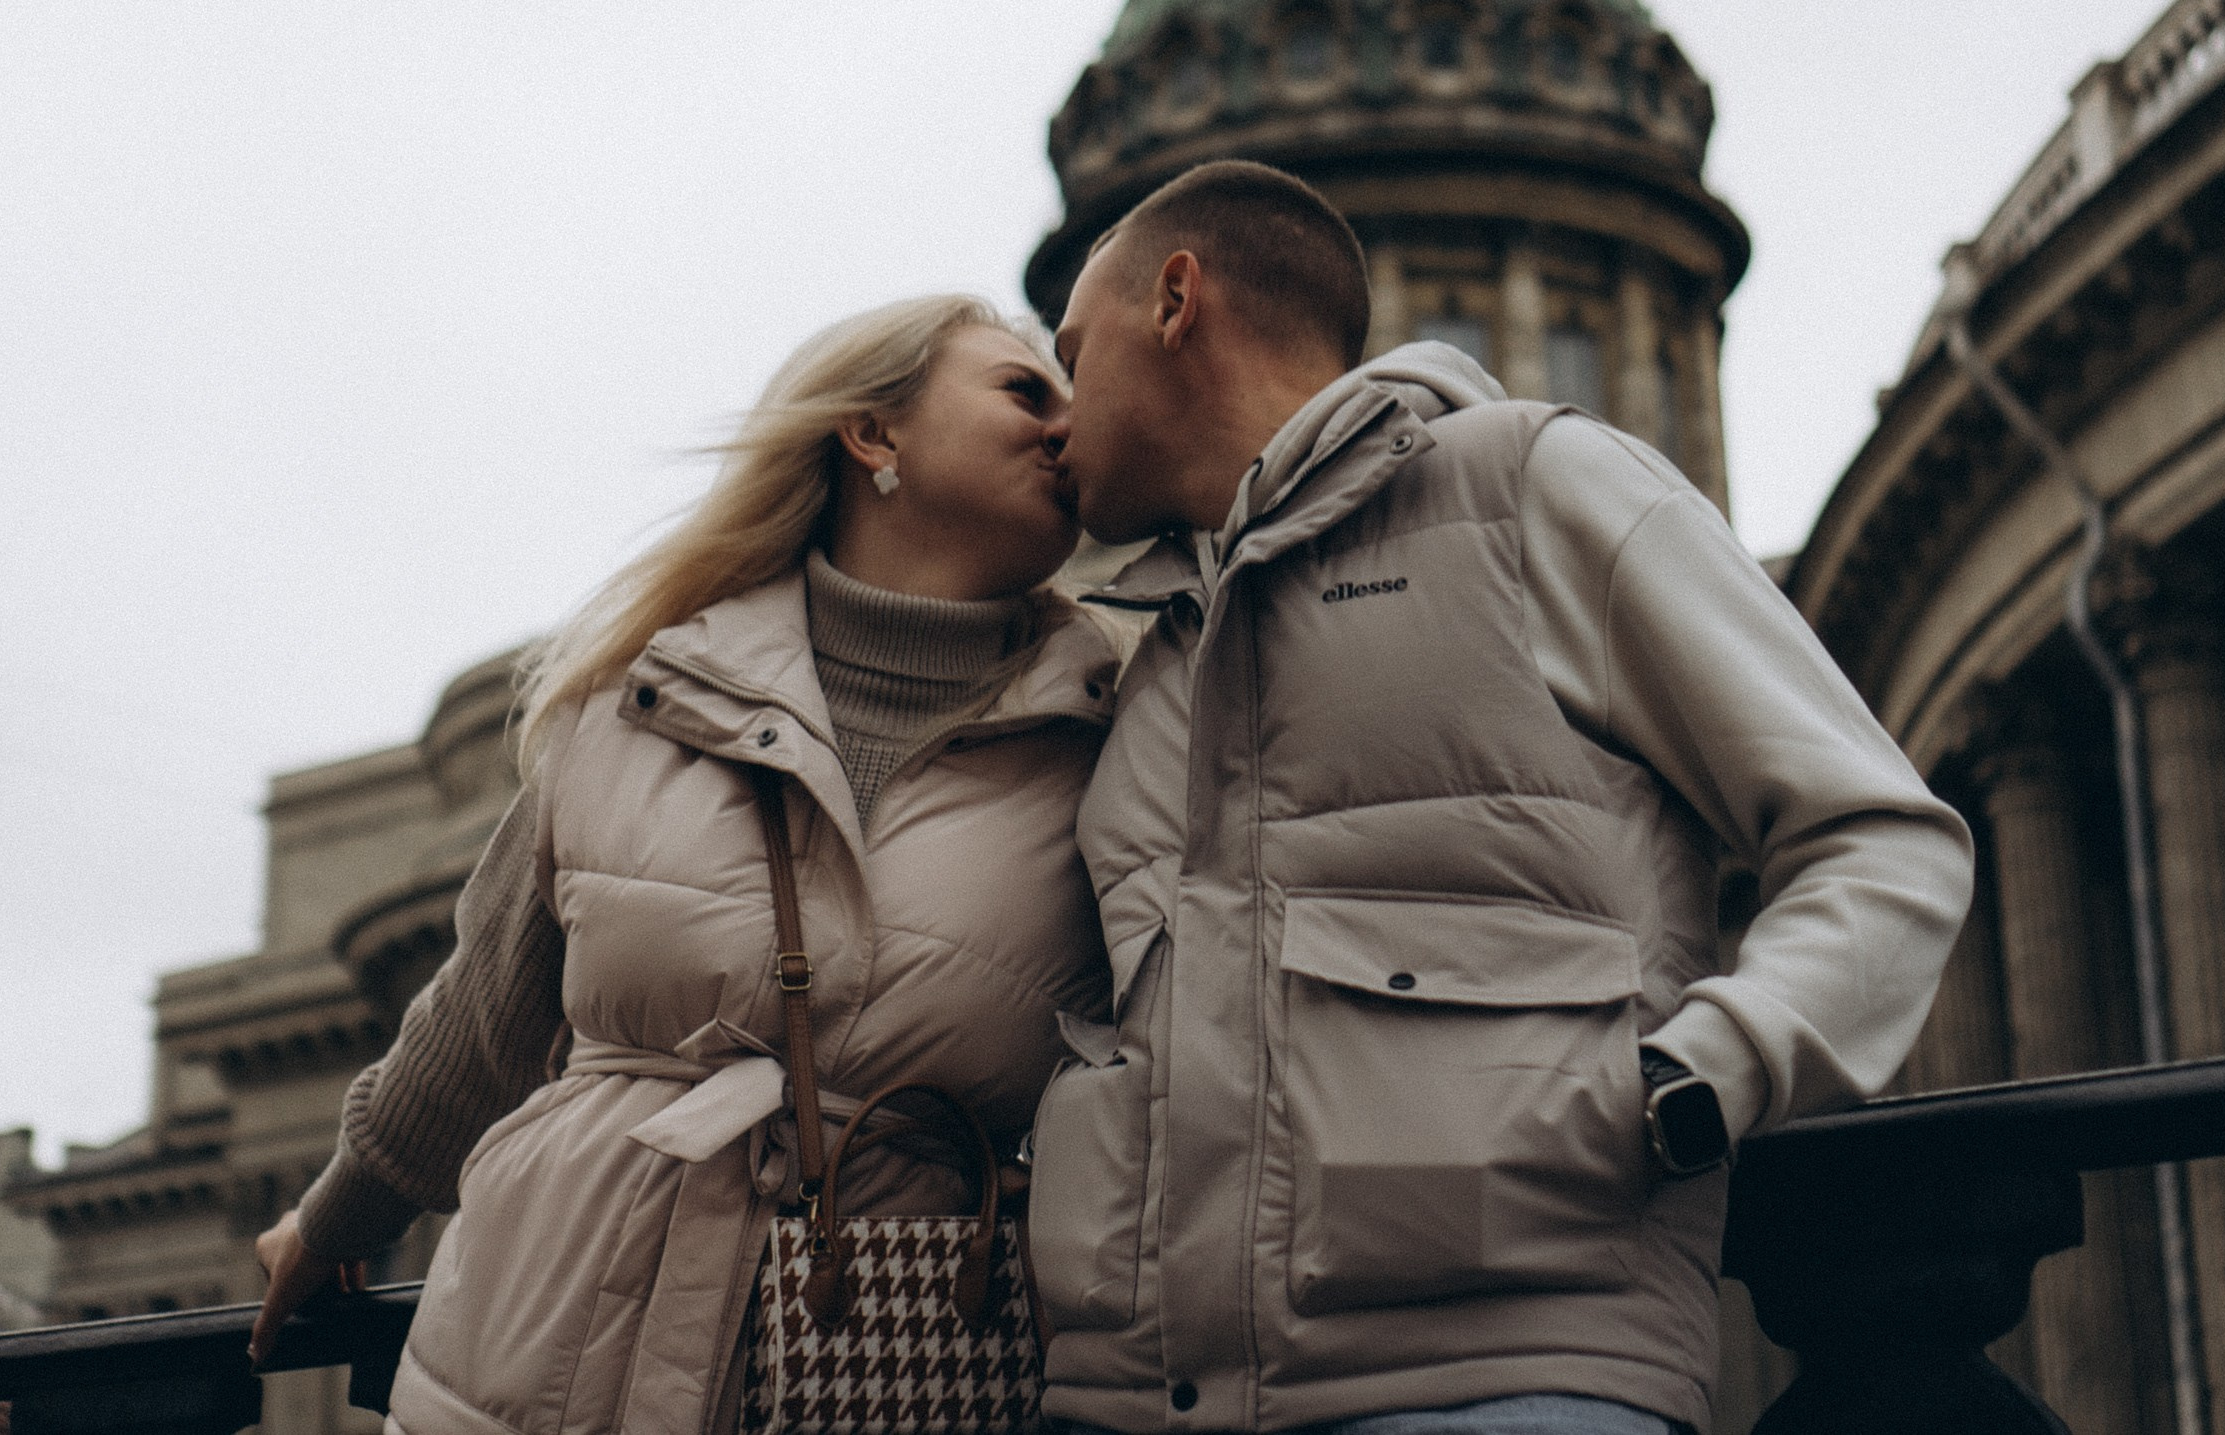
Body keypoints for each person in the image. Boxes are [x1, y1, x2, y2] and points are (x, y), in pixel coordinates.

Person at [1028, 161, 1976, 1435]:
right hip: (1145, 1407)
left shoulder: (1532, 489)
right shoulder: (1144, 667)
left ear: (1176, 301)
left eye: (1071, 351)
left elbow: (1882, 841)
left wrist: (1693, 1082)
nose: (1055, 408)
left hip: (1502, 1382)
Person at [251, 294, 1131, 1432]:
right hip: (544, 1359)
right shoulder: (640, 700)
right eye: (1025, 389)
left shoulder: (1116, 740)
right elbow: (480, 1024)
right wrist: (334, 1223)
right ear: (874, 434)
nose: (1071, 424)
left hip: (883, 1370)